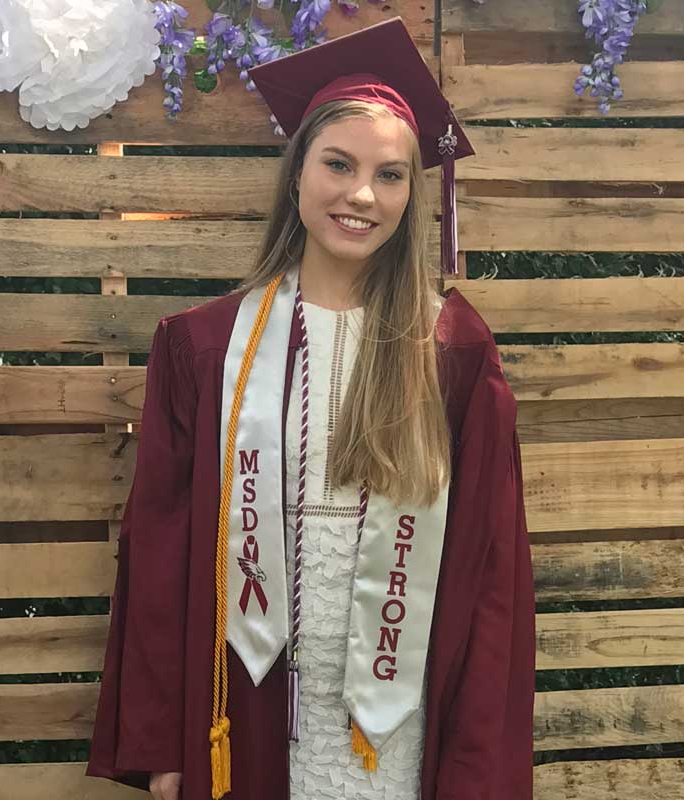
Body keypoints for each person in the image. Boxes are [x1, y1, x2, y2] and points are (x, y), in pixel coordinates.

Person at [85, 16, 534, 800]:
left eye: (390, 175)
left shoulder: (452, 349)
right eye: (338, 164)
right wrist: (164, 743)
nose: (361, 194)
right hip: (246, 705)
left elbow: (491, 572)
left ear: (413, 194)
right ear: (297, 174)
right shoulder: (204, 349)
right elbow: (161, 555)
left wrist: (473, 760)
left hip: (399, 722)